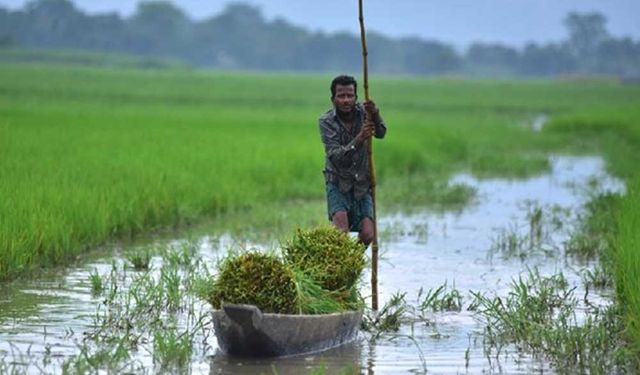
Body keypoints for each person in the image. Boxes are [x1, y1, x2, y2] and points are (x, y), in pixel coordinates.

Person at [318, 75, 387, 246]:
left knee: (368, 235)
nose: (346, 100)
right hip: (337, 180)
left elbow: (381, 133)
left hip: (362, 183)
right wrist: (360, 138)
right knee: (341, 233)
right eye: (341, 96)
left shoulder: (365, 114)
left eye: (350, 95)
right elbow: (335, 155)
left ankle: (351, 265)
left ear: (356, 97)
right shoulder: (326, 121)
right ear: (333, 99)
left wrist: (375, 113)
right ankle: (342, 262)